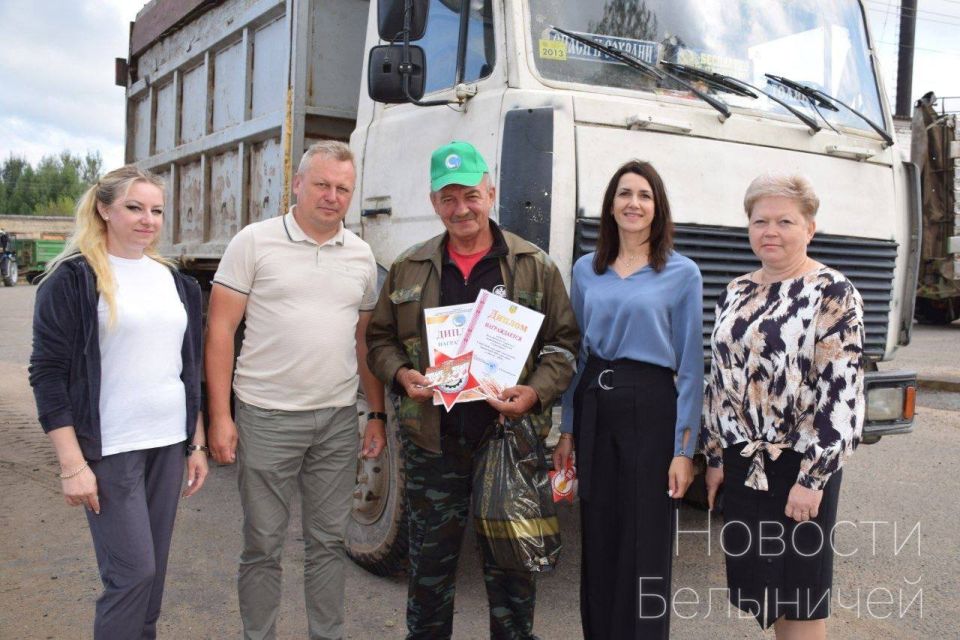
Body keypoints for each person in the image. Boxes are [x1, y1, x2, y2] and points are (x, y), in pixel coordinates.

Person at [365, 140, 579, 640]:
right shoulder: (409, 267)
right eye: (448, 198)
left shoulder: (533, 265)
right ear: (434, 202)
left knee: (511, 576)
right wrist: (401, 375)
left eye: (471, 195)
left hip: (507, 444)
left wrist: (533, 393)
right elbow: (379, 339)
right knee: (429, 574)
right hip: (432, 445)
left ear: (491, 192)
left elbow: (563, 346)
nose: (461, 208)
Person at [205, 139, 386, 640]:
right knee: (263, 544)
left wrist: (376, 414)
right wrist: (221, 416)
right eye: (323, 184)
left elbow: (363, 340)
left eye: (343, 188)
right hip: (267, 417)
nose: (332, 196)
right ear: (298, 184)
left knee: (327, 543)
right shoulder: (254, 242)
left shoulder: (362, 254)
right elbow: (219, 331)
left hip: (334, 420)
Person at [28, 165, 208, 639]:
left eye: (156, 210)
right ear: (104, 209)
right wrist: (71, 463)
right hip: (110, 450)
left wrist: (197, 443)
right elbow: (47, 375)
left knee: (152, 582)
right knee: (132, 575)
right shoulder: (71, 280)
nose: (148, 220)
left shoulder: (177, 283)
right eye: (134, 207)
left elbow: (189, 370)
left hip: (168, 444)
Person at [702, 174, 865, 638]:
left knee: (801, 597)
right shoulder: (734, 290)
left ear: (810, 228)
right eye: (760, 221)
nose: (769, 231)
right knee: (765, 590)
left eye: (784, 221)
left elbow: (842, 392)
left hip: (798, 464)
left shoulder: (833, 292)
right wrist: (715, 459)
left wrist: (813, 479)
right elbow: (720, 377)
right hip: (742, 461)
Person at [553, 160, 703, 639]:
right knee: (598, 535)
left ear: (657, 209)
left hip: (652, 408)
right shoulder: (585, 269)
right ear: (610, 205)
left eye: (644, 195)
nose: (633, 203)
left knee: (645, 541)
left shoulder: (682, 274)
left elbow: (691, 366)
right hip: (597, 403)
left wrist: (684, 450)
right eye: (624, 194)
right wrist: (568, 428)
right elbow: (576, 355)